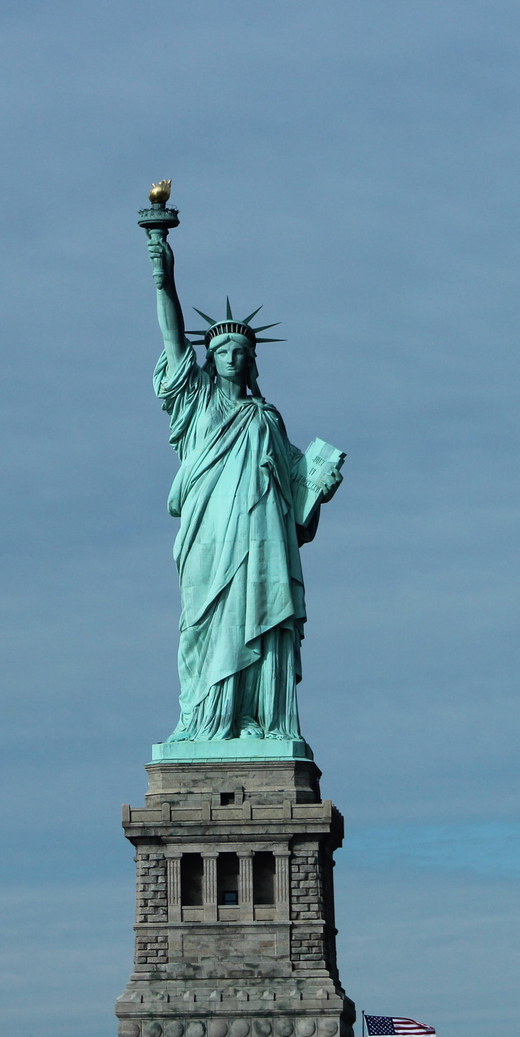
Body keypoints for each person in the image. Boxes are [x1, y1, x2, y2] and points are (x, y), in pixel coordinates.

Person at [146, 228, 341, 743]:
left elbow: (296, 500)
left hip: (260, 538)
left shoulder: (266, 418)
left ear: (252, 360)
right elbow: (172, 336)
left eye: (240, 349)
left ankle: (255, 717)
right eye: (222, 348)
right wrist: (164, 280)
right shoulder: (198, 404)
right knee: (205, 622)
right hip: (210, 536)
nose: (231, 355)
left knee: (256, 611)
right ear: (209, 358)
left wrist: (320, 486)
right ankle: (206, 722)